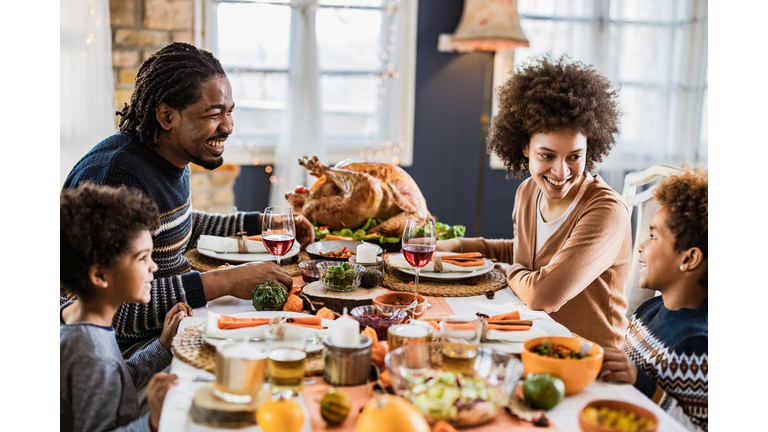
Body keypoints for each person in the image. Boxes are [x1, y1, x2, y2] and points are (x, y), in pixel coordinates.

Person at [62, 42, 314, 353]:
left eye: (230, 111)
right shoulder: (115, 177)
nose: (228, 127)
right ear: (166, 116)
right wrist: (226, 281)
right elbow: (116, 311)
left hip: (173, 323)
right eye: (214, 114)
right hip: (126, 354)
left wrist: (263, 222)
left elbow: (177, 226)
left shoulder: (170, 153)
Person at [437, 53, 631, 348]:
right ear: (524, 146)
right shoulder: (528, 192)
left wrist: (507, 270)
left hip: (588, 360)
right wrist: (460, 247)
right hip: (531, 340)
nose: (561, 171)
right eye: (547, 155)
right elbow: (530, 257)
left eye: (575, 157)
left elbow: (543, 295)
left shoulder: (606, 212)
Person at [60, 182, 192, 432]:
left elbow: (118, 378)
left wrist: (162, 346)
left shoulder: (73, 317)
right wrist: (152, 421)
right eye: (142, 258)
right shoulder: (92, 357)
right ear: (100, 276)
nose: (153, 267)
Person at [601, 169, 708, 432]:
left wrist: (643, 384)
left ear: (689, 259)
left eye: (653, 236)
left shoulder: (696, 344)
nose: (641, 246)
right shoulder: (648, 310)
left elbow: (694, 428)